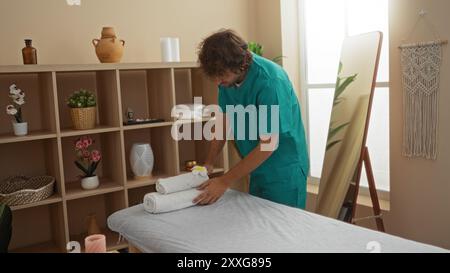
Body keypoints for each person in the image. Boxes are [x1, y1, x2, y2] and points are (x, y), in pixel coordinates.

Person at [193, 29, 309, 209]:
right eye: (214, 77)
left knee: (285, 232)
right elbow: (223, 124)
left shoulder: (270, 82)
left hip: (284, 171)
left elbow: (268, 144)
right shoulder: (227, 81)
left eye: (221, 76)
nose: (218, 82)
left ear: (240, 64)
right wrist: (209, 163)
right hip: (256, 168)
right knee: (260, 229)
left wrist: (224, 181)